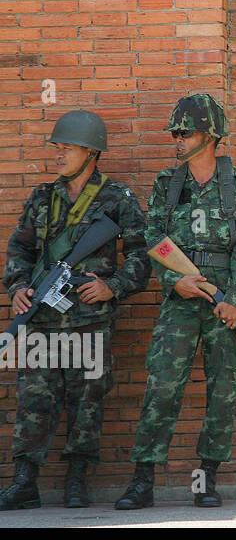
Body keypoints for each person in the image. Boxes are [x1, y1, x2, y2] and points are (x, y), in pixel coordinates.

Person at [115, 94, 236, 510]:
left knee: (222, 390)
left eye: (185, 132)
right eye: (175, 133)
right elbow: (153, 240)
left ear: (210, 135)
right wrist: (171, 282)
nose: (177, 139)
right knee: (162, 386)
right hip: (181, 297)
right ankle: (142, 481)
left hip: (224, 299)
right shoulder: (167, 183)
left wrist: (235, 300)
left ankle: (205, 480)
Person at [1, 111, 150, 509]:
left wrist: (111, 287)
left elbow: (142, 255)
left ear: (91, 152)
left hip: (90, 321)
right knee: (33, 399)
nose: (59, 154)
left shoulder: (118, 199)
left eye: (67, 147)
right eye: (58, 147)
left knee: (87, 400)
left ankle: (77, 482)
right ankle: (25, 481)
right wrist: (17, 289)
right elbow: (20, 250)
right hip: (42, 319)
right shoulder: (42, 197)